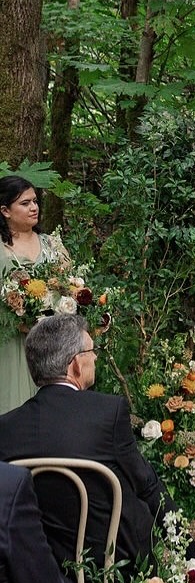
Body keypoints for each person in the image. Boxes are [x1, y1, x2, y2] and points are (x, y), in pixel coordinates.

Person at [0, 313, 195, 583]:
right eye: (91, 351)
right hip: (113, 565)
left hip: (37, 573)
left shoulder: (6, 428)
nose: (96, 358)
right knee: (143, 484)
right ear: (75, 365)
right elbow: (145, 485)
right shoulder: (107, 412)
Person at [0, 176, 71, 415]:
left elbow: (72, 287)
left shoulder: (52, 244)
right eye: (25, 203)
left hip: (51, 344)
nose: (34, 207)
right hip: (10, 343)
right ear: (5, 210)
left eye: (35, 202)